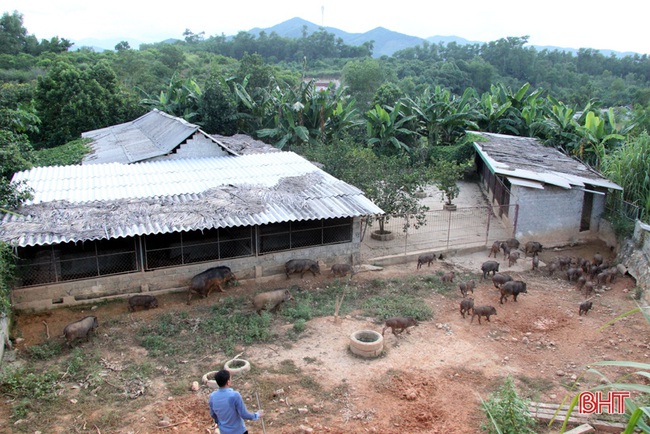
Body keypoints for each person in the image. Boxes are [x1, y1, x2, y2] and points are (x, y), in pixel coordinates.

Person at [208, 369, 264, 434]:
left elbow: (213, 414)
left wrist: (220, 423)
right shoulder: (234, 395)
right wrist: (257, 415)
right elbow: (244, 414)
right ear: (228, 382)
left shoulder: (212, 397)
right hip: (239, 431)